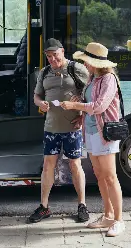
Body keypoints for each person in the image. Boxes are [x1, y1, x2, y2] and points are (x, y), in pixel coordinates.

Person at [60, 42, 125, 237]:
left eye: (87, 61)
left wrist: (74, 107)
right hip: (91, 132)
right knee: (99, 175)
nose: (85, 64)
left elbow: (98, 106)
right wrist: (80, 112)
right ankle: (107, 215)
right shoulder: (93, 78)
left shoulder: (109, 79)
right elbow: (90, 105)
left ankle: (119, 220)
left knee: (110, 176)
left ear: (97, 63)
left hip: (104, 133)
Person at [29, 38, 90, 223]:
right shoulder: (45, 72)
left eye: (55, 55)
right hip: (51, 127)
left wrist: (83, 115)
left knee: (75, 165)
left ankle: (82, 205)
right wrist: (41, 103)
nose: (52, 60)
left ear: (62, 51)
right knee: (48, 166)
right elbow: (36, 96)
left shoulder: (76, 68)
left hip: (72, 127)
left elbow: (91, 94)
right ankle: (44, 206)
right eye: (48, 57)